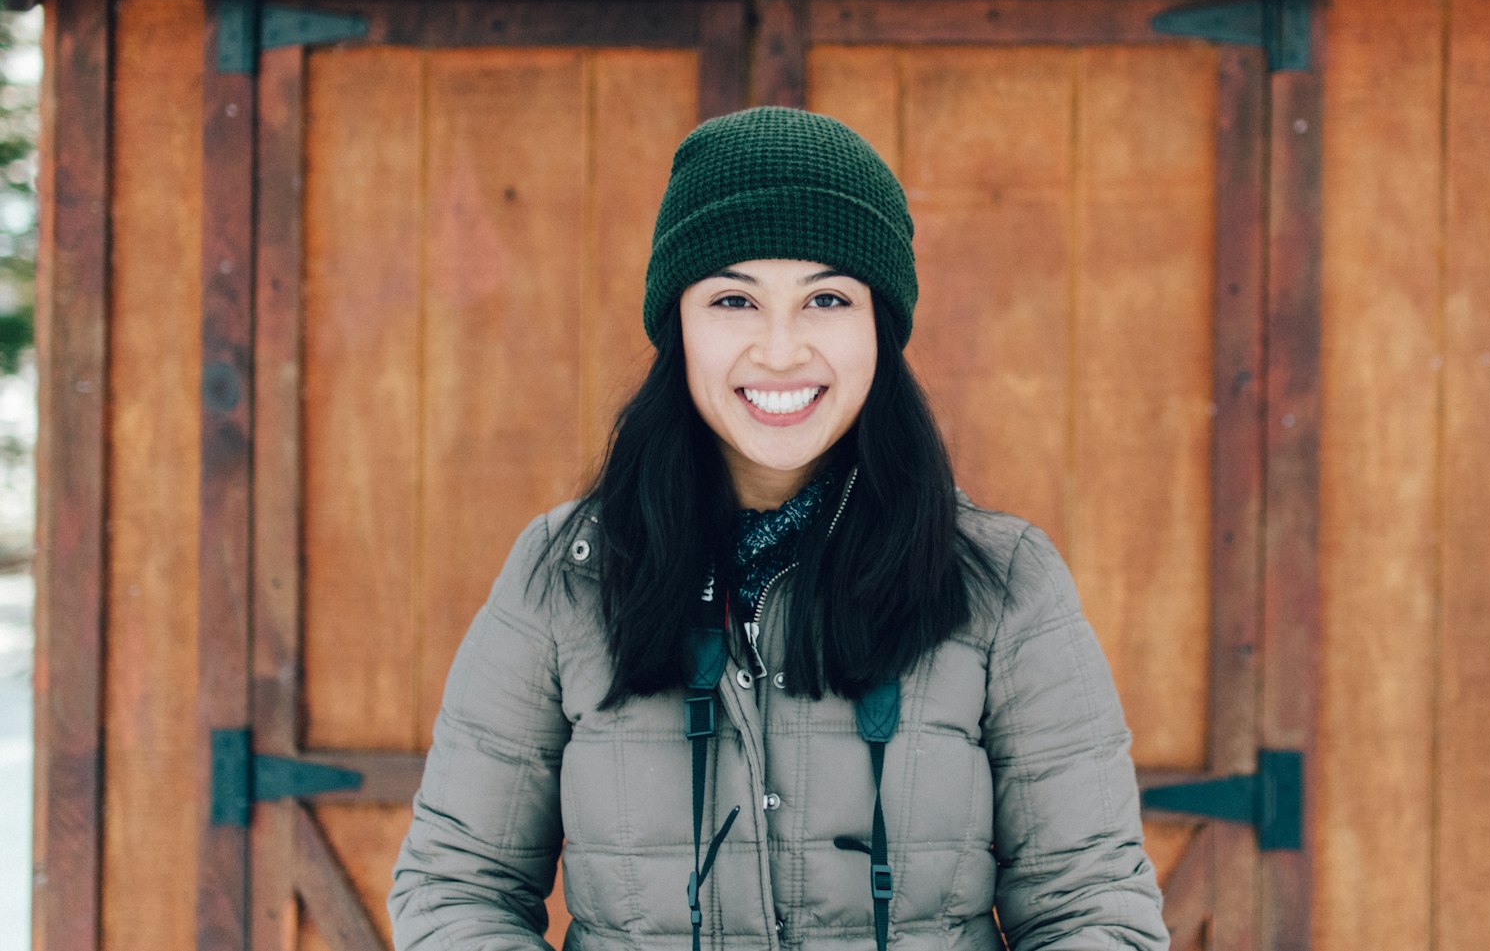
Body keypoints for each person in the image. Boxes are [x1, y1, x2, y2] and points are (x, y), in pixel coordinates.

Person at [389, 107, 1169, 951]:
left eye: (827, 297)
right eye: (733, 299)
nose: (781, 349)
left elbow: (1092, 910)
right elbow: (455, 887)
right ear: (677, 323)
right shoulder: (568, 572)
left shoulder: (1003, 583)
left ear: (882, 324)